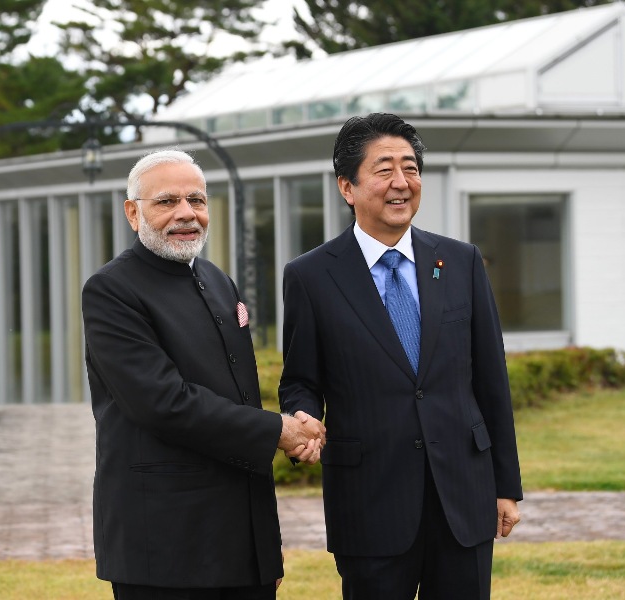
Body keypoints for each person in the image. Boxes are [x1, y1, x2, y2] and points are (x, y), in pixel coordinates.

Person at [279, 113, 522, 599]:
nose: (401, 182)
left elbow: (491, 381)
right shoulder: (310, 275)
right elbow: (300, 377)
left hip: (463, 494)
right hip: (369, 501)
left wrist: (506, 484)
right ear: (347, 187)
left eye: (410, 168)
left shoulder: (460, 261)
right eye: (384, 169)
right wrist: (302, 418)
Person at [82, 148, 325, 600]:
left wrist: (263, 550)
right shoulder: (111, 290)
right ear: (132, 213)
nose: (186, 214)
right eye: (167, 201)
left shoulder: (217, 281)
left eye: (197, 200)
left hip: (241, 542)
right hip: (163, 546)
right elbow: (164, 403)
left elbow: (239, 398)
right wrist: (279, 430)